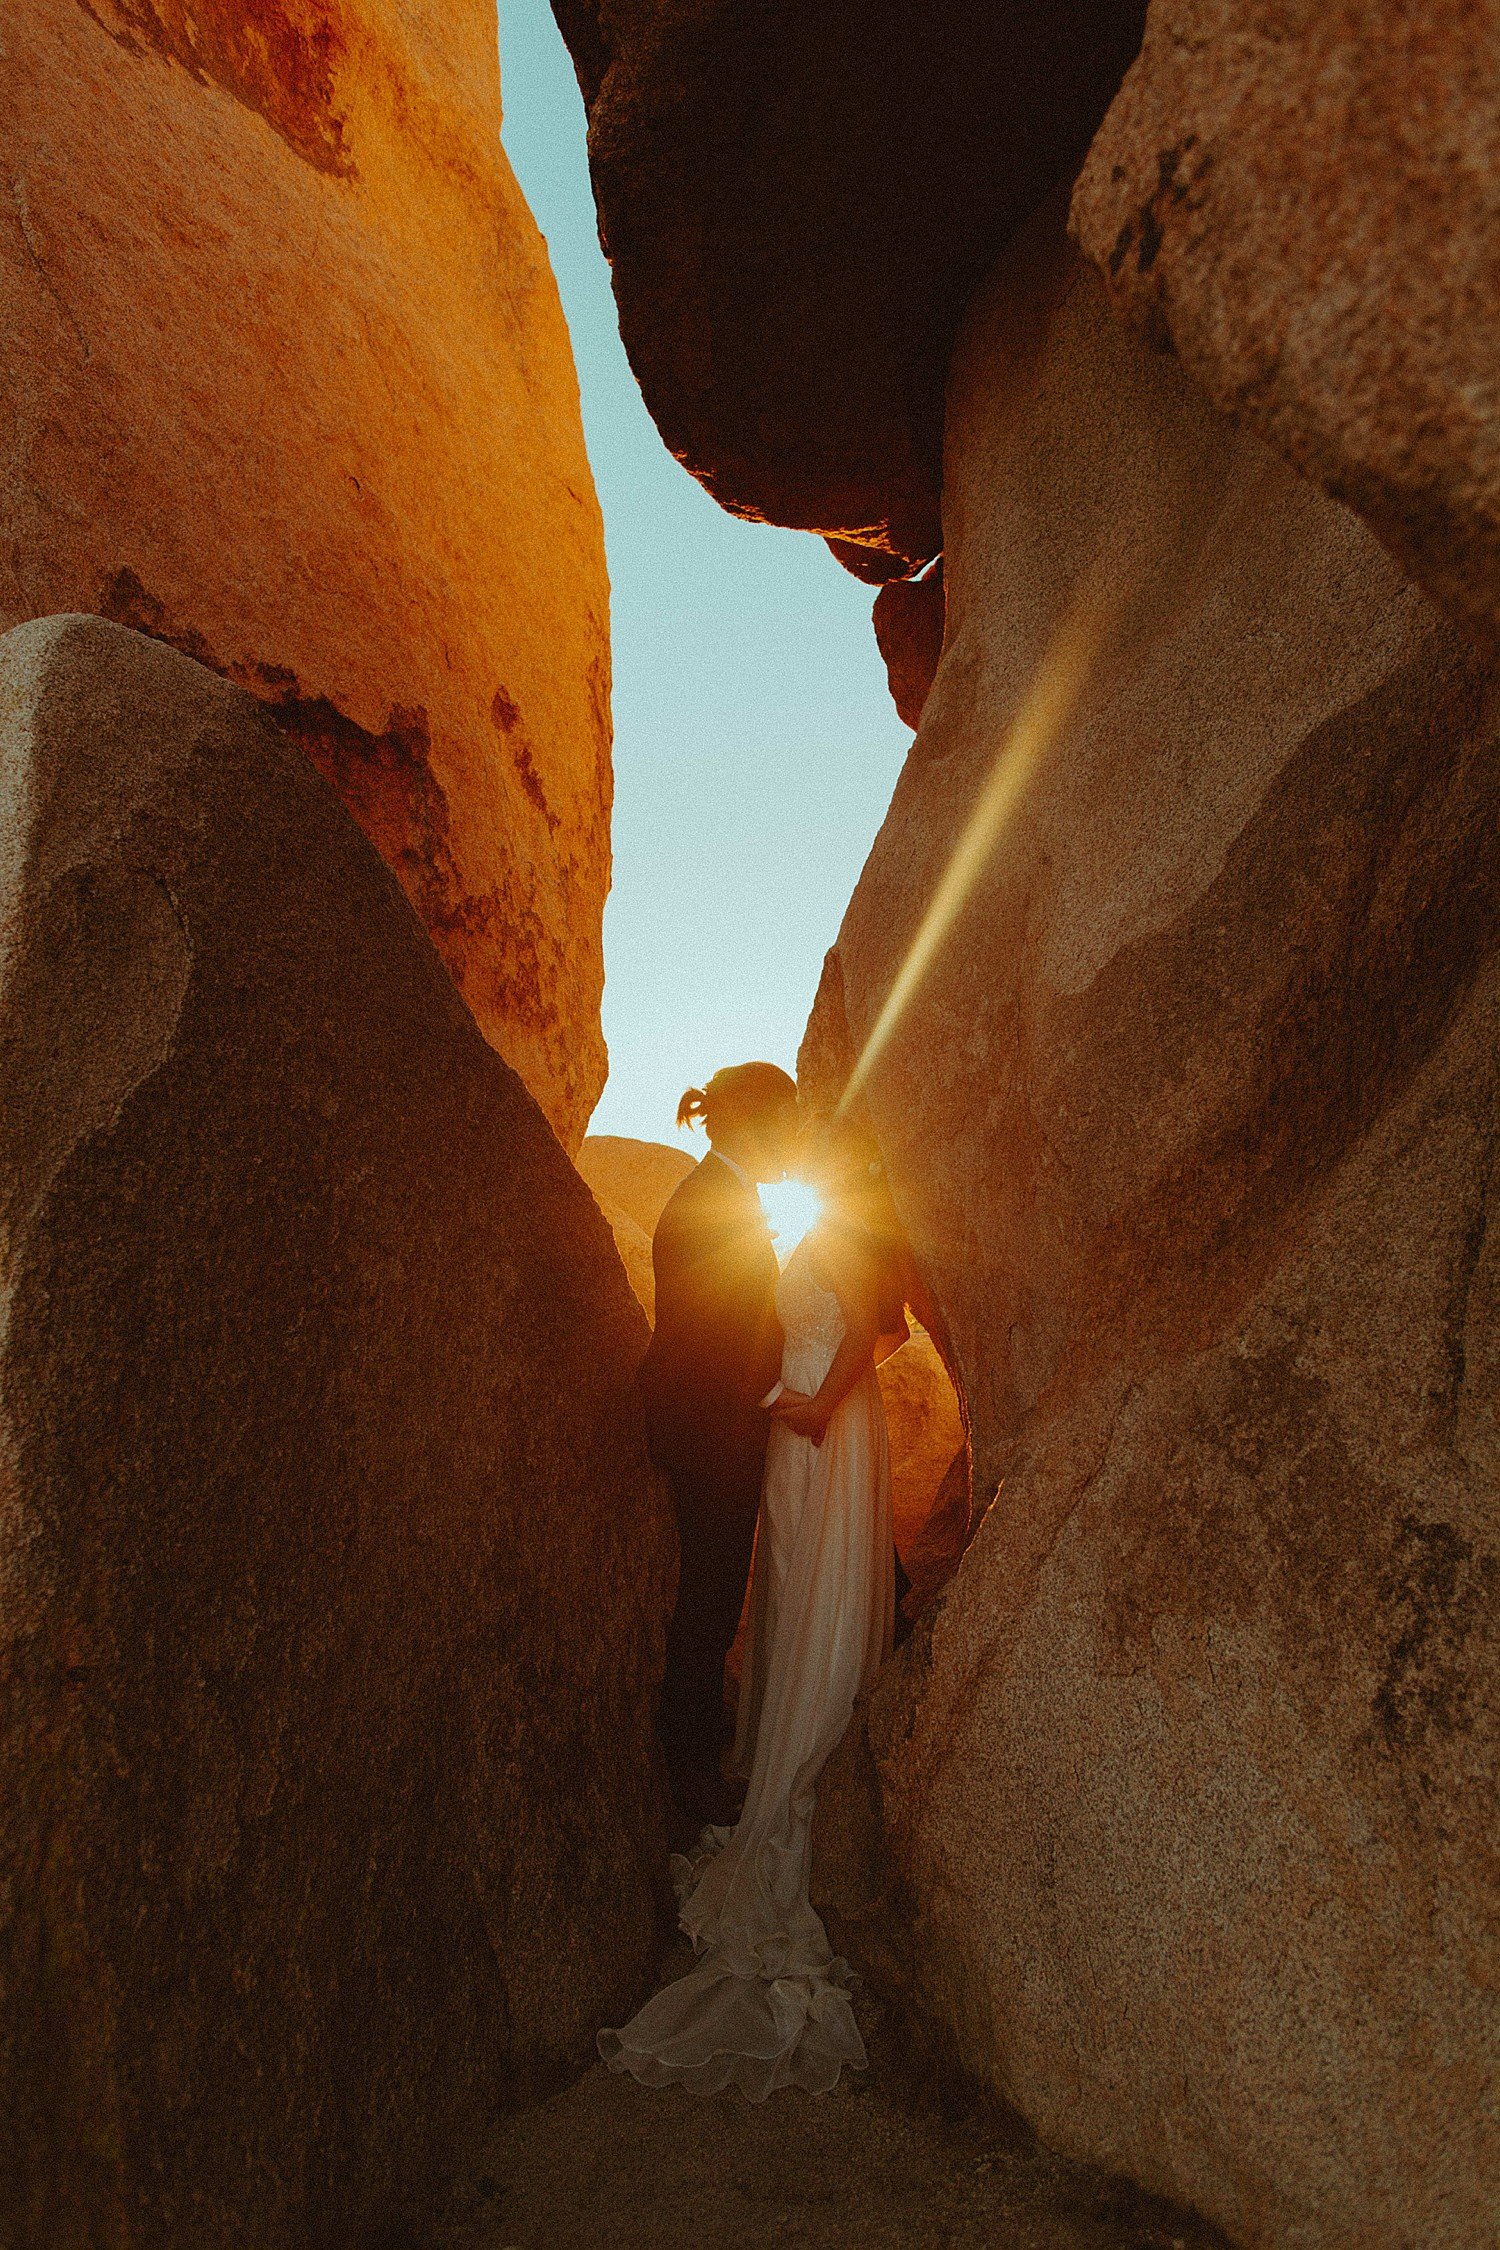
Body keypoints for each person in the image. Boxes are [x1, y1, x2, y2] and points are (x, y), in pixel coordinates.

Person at [602, 1117, 905, 2098]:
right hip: (777, 1430)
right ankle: (741, 1736)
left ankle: (794, 1734)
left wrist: (814, 1405)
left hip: (816, 1429)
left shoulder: (842, 1224)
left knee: (802, 1585)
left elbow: (870, 1326)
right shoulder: (751, 1211)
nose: (803, 1156)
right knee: (768, 1592)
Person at [638, 1061, 800, 1827]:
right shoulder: (713, 1203)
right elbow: (710, 1340)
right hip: (710, 1434)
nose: (791, 1142)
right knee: (707, 1606)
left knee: (709, 1602)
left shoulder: (725, 1194)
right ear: (747, 1123)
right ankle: (689, 1776)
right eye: (785, 1125)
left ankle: (691, 1763)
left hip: (714, 1425)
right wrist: (781, 1397)